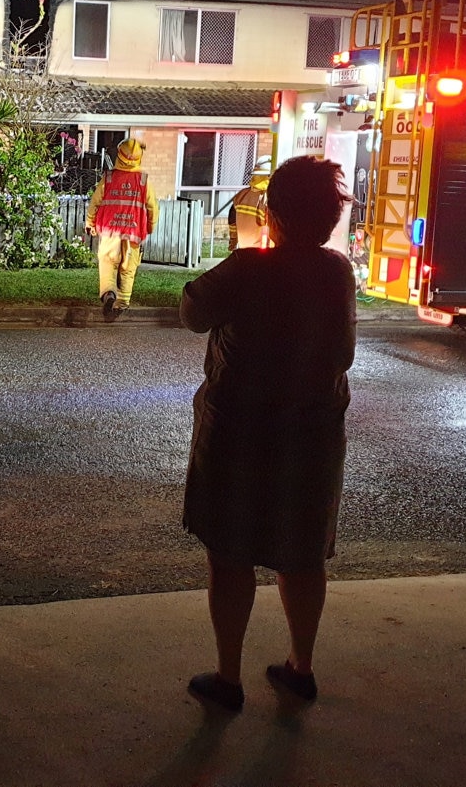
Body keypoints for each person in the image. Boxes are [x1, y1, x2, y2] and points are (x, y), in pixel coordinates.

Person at [178, 155, 357, 713]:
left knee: (230, 557)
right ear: (331, 219)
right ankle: (300, 668)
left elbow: (191, 310)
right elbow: (343, 354)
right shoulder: (337, 273)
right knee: (303, 556)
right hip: (311, 439)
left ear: (272, 213)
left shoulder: (245, 269)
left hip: (237, 437)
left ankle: (229, 679)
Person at [85, 139, 158, 318]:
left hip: (110, 230)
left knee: (108, 263)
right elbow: (152, 208)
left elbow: (95, 202)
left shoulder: (109, 177)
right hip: (133, 232)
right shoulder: (143, 181)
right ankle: (120, 305)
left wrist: (90, 223)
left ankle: (109, 293)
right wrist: (150, 227)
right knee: (128, 268)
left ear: (119, 155)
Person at [227, 156, 271, 251]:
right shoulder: (269, 198)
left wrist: (233, 239)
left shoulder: (241, 195)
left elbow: (232, 219)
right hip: (263, 252)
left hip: (244, 249)